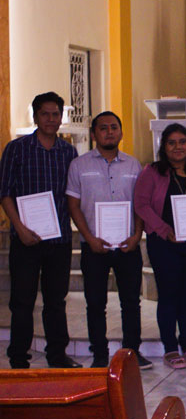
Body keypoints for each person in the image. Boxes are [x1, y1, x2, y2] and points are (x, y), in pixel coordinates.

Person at [0, 92, 81, 369]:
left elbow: (73, 195)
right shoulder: (17, 149)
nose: (50, 119)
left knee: (56, 300)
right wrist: (19, 228)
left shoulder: (69, 152)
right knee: (22, 301)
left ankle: (57, 355)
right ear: (35, 117)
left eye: (55, 114)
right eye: (45, 114)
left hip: (58, 238)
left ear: (61, 117)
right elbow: (5, 193)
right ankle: (19, 357)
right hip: (26, 239)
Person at [66, 111, 149, 369]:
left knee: (130, 302)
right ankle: (100, 354)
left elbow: (140, 204)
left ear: (121, 132)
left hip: (127, 245)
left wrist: (137, 235)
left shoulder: (134, 165)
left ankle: (131, 352)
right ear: (94, 134)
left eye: (114, 127)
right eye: (103, 128)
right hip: (94, 246)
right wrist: (88, 238)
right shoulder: (79, 165)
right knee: (95, 303)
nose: (109, 132)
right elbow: (73, 205)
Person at [134, 123, 186, 369]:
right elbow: (141, 205)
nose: (178, 147)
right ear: (163, 147)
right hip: (164, 244)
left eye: (183, 142)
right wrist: (166, 231)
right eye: (172, 142)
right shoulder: (152, 172)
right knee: (168, 295)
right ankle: (169, 348)